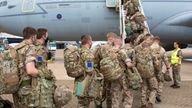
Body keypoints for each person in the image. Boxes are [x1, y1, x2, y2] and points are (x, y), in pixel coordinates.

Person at [13, 27, 39, 108]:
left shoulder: (16, 48)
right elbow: (30, 70)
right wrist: (43, 74)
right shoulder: (30, 48)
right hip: (26, 88)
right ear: (33, 37)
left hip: (15, 85)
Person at [134, 35, 158, 108]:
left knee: (143, 88)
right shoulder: (150, 49)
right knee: (154, 88)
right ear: (147, 39)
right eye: (150, 39)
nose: (151, 41)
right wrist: (157, 69)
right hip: (150, 72)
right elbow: (156, 61)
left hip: (140, 72)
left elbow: (134, 60)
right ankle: (150, 103)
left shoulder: (136, 48)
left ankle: (143, 104)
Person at [110, 36, 133, 108]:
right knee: (127, 93)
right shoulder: (122, 51)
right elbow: (128, 64)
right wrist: (132, 66)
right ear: (119, 42)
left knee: (115, 94)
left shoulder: (109, 51)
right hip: (122, 76)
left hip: (113, 75)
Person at [94, 32, 116, 108]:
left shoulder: (100, 47)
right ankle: (107, 105)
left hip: (102, 73)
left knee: (101, 90)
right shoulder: (114, 49)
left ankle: (98, 105)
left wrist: (97, 71)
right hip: (110, 73)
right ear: (111, 38)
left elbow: (95, 60)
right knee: (108, 91)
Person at [35, 28, 56, 107]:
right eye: (47, 34)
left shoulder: (33, 46)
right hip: (40, 79)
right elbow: (41, 65)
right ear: (44, 36)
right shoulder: (40, 49)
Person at [75, 35, 95, 108]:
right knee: (84, 102)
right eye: (91, 41)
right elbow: (89, 70)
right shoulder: (88, 54)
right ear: (89, 42)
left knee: (80, 101)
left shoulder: (78, 51)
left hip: (79, 81)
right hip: (86, 82)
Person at [151, 36, 170, 102]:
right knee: (160, 81)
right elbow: (165, 59)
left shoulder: (149, 48)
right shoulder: (162, 49)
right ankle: (158, 94)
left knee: (151, 82)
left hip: (151, 69)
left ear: (153, 40)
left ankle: (151, 95)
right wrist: (168, 66)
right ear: (158, 41)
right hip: (159, 69)